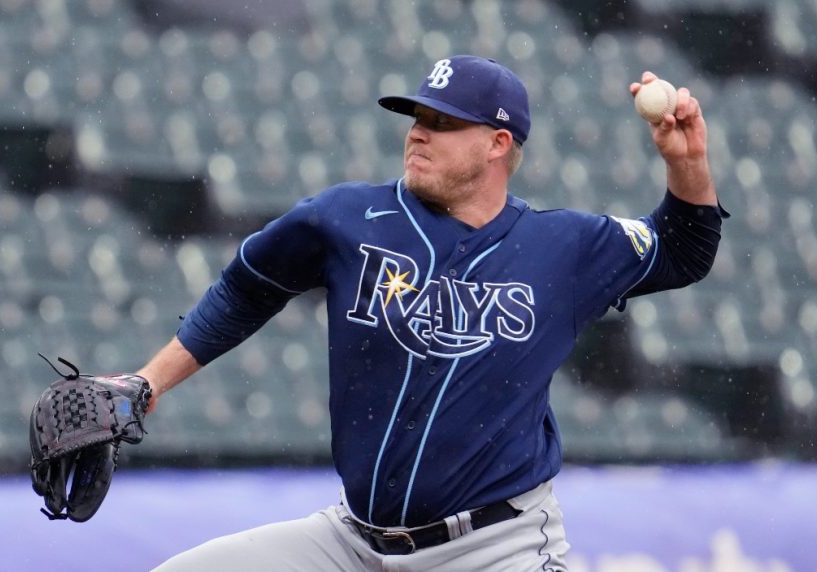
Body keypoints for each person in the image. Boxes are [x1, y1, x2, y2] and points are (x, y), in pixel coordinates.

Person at [140, 55, 728, 571]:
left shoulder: (565, 249)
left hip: (496, 549)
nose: (419, 133)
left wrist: (688, 160)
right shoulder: (346, 218)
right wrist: (147, 383)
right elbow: (248, 287)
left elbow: (683, 249)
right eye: (417, 117)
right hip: (351, 545)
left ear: (499, 143)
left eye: (443, 122)